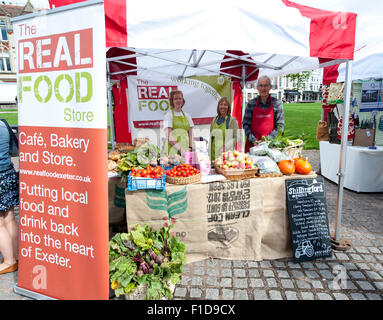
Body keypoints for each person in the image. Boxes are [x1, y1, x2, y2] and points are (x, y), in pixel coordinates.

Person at [243, 75, 284, 153]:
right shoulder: (251, 103)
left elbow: (280, 126)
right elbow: (245, 124)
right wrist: (253, 140)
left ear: (270, 87)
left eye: (266, 85)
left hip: (271, 146)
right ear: (257, 87)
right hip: (252, 145)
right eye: (261, 85)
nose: (263, 88)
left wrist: (267, 140)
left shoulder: (277, 104)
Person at [0, 120, 19, 274]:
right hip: (8, 172)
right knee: (10, 217)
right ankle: (15, 256)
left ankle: (8, 261)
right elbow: (14, 150)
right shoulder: (3, 124)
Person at [163, 90, 194, 156]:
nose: (178, 101)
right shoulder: (168, 116)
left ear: (183, 100)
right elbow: (169, 136)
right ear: (172, 101)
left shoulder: (188, 116)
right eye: (175, 99)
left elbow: (191, 134)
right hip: (173, 149)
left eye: (180, 98)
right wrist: (180, 149)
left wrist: (190, 147)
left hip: (186, 149)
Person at [209, 97, 239, 161]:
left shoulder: (232, 120)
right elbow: (211, 136)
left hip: (226, 154)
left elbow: (236, 137)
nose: (223, 107)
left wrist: (226, 146)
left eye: (225, 105)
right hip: (213, 154)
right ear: (218, 106)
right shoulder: (214, 119)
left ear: (228, 107)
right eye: (221, 104)